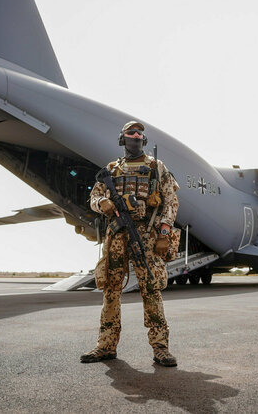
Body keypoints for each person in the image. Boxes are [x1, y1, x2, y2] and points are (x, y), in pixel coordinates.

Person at [81, 121, 180, 367]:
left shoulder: (157, 167)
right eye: (131, 133)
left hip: (147, 233)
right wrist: (102, 201)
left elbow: (171, 201)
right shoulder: (112, 169)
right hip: (117, 235)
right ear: (122, 138)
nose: (135, 136)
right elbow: (93, 196)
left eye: (139, 134)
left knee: (151, 288)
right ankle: (105, 346)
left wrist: (164, 230)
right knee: (111, 289)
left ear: (143, 140)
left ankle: (160, 348)